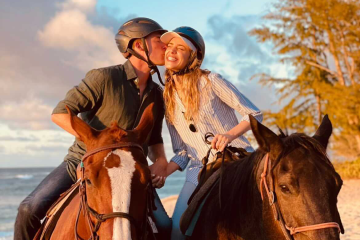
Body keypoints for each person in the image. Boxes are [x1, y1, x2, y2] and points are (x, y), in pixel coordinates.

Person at [14, 17, 171, 240]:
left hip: (130, 173)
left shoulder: (157, 94)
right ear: (138, 45)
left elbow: (154, 137)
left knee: (165, 227)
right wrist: (95, 142)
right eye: (159, 40)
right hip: (82, 161)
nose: (167, 46)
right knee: (28, 209)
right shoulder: (104, 78)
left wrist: (161, 161)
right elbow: (60, 113)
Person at [151, 26, 263, 239]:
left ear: (194, 56)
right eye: (170, 46)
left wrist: (229, 135)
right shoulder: (167, 99)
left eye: (180, 48)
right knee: (177, 231)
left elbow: (254, 114)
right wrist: (165, 171)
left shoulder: (212, 81)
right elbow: (183, 153)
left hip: (235, 162)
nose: (171, 51)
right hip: (197, 170)